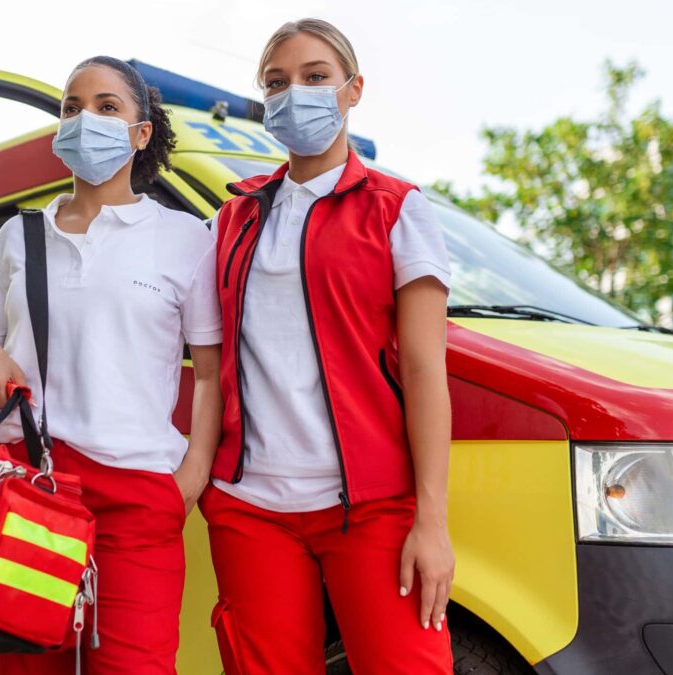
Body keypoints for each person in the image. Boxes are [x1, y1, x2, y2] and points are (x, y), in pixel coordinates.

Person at [200, 18, 456, 674]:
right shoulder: (231, 217)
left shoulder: (398, 209)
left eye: (315, 77)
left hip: (370, 505)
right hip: (249, 505)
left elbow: (428, 370)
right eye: (277, 83)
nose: (296, 94)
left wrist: (432, 520)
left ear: (352, 90)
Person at [0, 55, 223, 674]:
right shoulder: (17, 236)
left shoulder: (186, 238)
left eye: (108, 107)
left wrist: (186, 483)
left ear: (141, 134)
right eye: (72, 108)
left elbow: (212, 373)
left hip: (139, 497)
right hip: (28, 486)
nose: (86, 119)